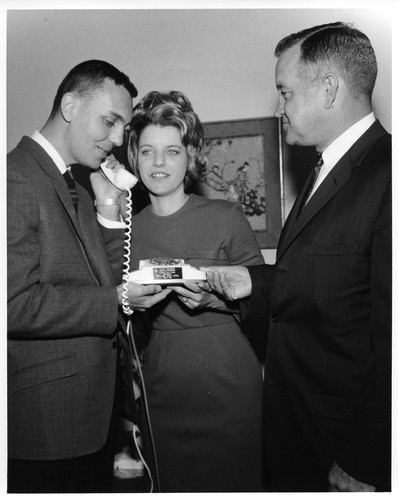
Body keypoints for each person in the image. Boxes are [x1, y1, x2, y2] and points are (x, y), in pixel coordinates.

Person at [203, 22, 391, 492]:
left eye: (285, 93)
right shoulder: (322, 170)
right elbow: (337, 285)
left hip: (344, 449)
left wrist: (363, 463)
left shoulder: (387, 176)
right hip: (297, 434)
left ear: (328, 90)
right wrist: (255, 283)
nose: (279, 108)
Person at [7, 59, 171, 493]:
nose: (118, 139)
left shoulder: (74, 186)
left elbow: (95, 277)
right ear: (69, 105)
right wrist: (117, 299)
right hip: (46, 428)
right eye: (111, 121)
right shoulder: (15, 178)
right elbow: (12, 303)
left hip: (87, 421)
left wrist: (110, 209)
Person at [127, 90, 265, 492]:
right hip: (162, 388)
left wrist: (213, 298)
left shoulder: (226, 217)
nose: (158, 163)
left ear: (190, 156)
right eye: (148, 151)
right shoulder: (127, 232)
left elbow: (265, 301)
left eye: (172, 151)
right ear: (134, 156)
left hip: (229, 386)